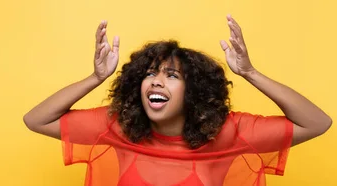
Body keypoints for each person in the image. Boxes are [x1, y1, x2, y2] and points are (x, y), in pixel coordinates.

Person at [23, 15, 332, 186]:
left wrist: (250, 72)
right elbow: (37, 119)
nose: (156, 80)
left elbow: (317, 123)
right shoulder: (117, 127)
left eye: (172, 75)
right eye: (149, 73)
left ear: (194, 91)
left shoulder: (229, 134)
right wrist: (95, 78)